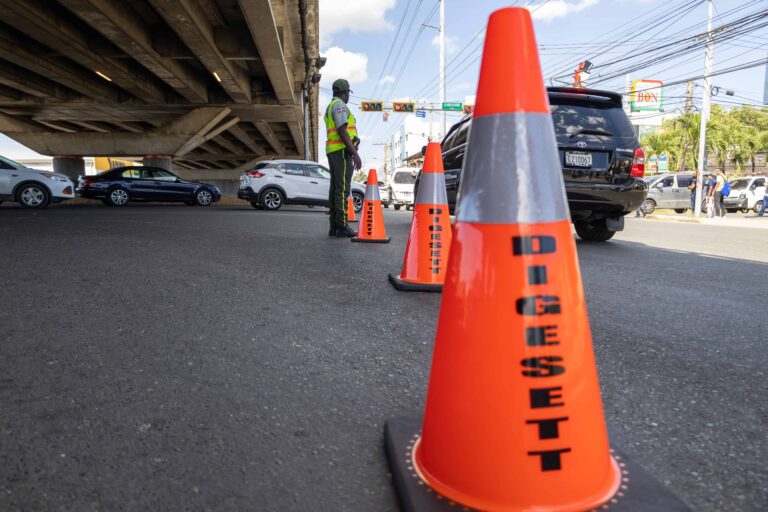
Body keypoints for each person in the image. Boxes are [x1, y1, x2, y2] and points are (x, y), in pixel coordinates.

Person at [324, 79, 362, 237]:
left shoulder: (330, 106)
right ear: (345, 93)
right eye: (348, 94)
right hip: (341, 151)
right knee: (342, 190)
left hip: (334, 150)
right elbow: (342, 130)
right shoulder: (339, 105)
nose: (348, 97)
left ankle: (334, 227)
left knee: (335, 189)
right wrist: (355, 153)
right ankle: (342, 226)